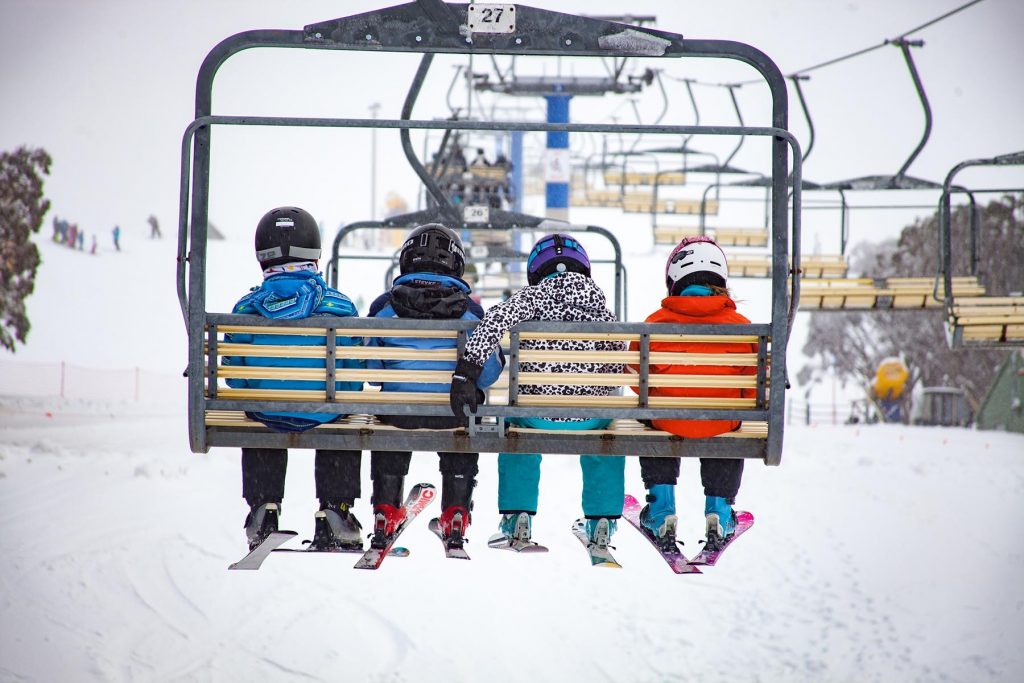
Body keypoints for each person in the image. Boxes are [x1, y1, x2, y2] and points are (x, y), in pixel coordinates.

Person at [449, 234, 626, 551]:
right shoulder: (598, 304)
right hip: (589, 418)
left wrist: (468, 370)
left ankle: (518, 518)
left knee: (515, 429)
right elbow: (618, 355)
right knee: (606, 433)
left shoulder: (530, 298)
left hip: (536, 415)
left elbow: (492, 322)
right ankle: (601, 522)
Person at [221, 206, 366, 551]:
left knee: (261, 411)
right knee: (340, 419)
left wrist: (260, 389)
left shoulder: (245, 309)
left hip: (266, 411)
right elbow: (355, 375)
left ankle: (263, 509)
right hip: (324, 412)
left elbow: (236, 379)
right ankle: (336, 510)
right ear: (314, 253)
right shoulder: (339, 307)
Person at [364, 224, 504, 548]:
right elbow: (489, 373)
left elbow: (371, 373)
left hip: (399, 414)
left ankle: (385, 510)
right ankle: (455, 512)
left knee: (388, 419)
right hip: (451, 414)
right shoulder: (470, 312)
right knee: (469, 416)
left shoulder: (383, 309)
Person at [631, 236, 757, 551]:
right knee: (728, 421)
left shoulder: (655, 325)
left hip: (669, 423)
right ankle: (720, 511)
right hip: (720, 424)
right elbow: (756, 381)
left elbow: (636, 377)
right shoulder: (742, 327)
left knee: (652, 416)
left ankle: (661, 510)